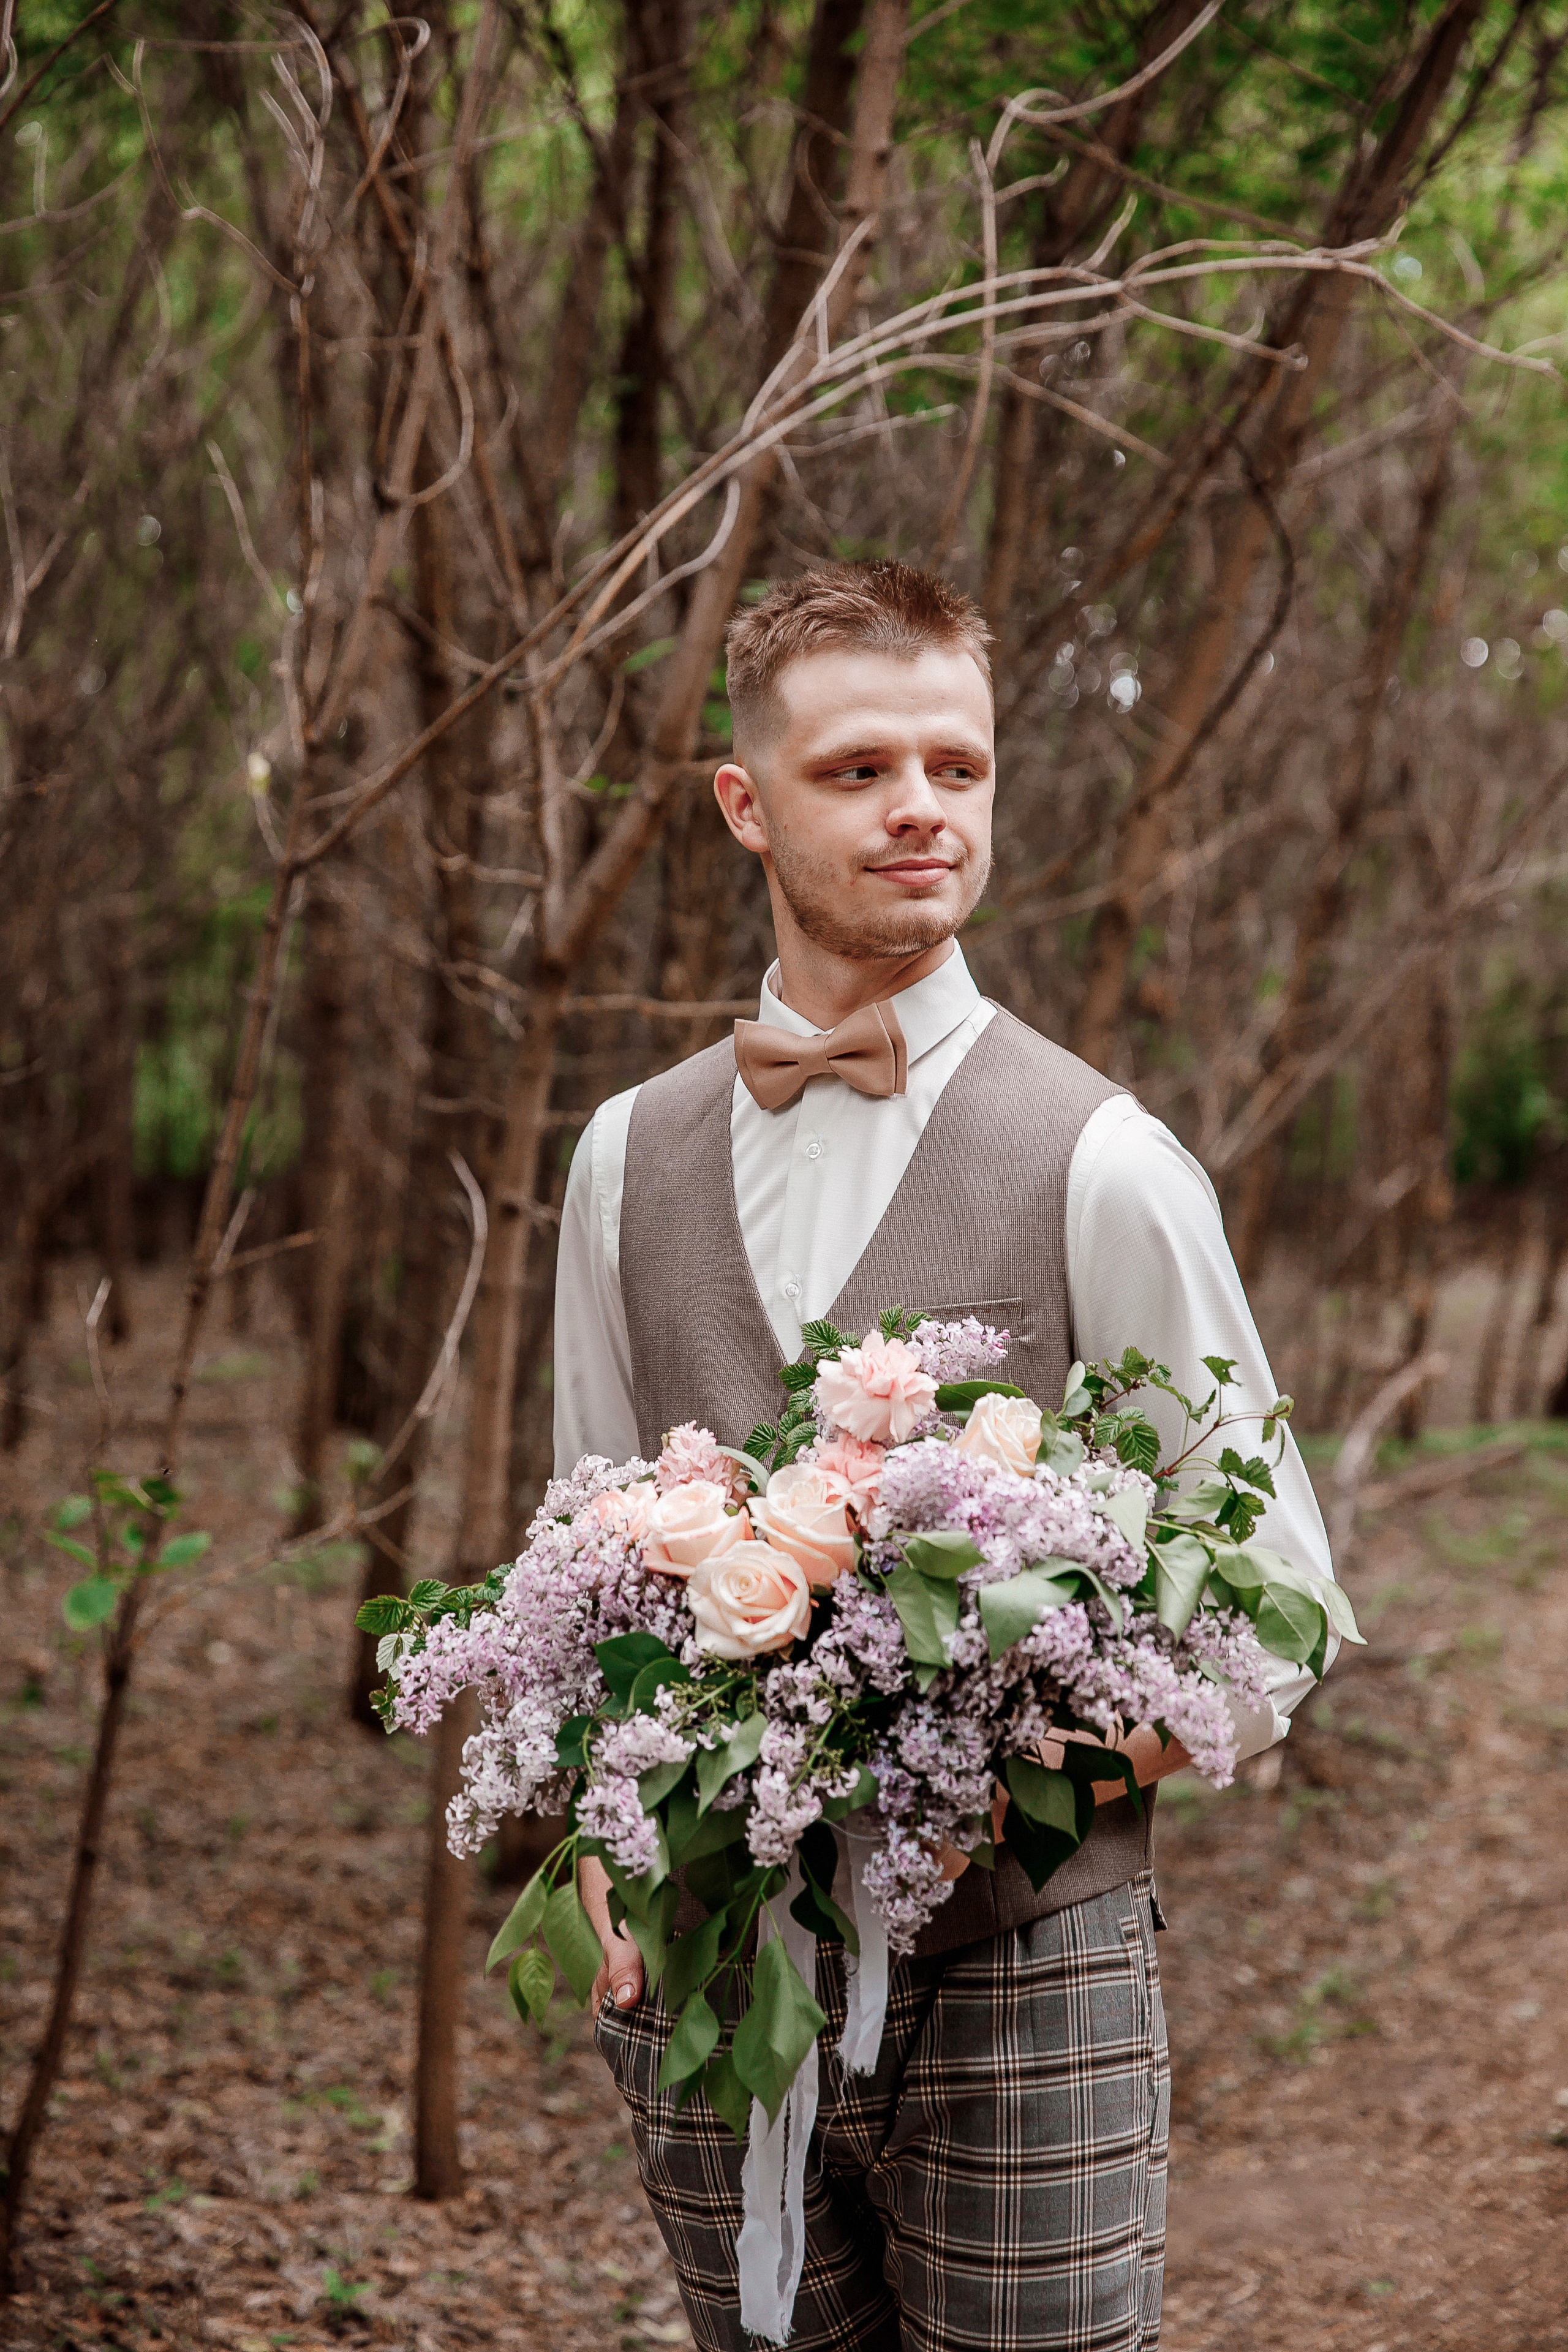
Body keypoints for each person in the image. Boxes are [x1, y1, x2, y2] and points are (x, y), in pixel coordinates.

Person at [552, 560, 1335, 2352]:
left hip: (1026, 1968)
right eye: (859, 770)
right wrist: (605, 1832)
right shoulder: (622, 1156)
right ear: (745, 804)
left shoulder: (1103, 1161)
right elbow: (589, 1546)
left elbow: (1283, 1611)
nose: (922, 807)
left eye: (957, 767)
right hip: (709, 1975)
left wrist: (1027, 1774)